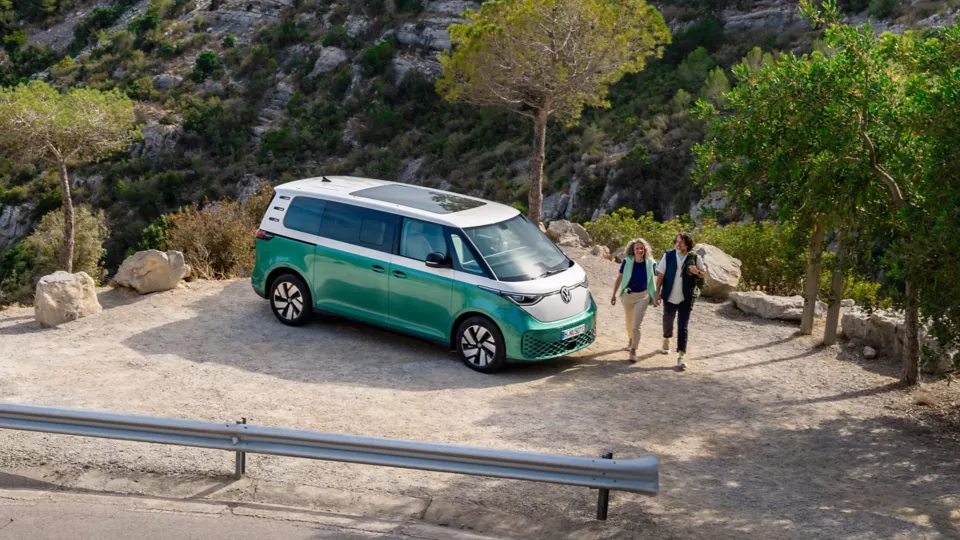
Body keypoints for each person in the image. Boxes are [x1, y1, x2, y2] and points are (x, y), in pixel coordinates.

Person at [655, 232, 707, 371]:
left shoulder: (695, 257)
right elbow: (660, 275)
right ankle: (667, 339)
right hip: (669, 295)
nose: (678, 244)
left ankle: (681, 356)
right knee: (668, 319)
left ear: (688, 244)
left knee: (683, 326)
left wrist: (696, 272)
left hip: (686, 297)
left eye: (682, 242)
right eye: (677, 241)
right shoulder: (668, 255)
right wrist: (656, 293)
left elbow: (704, 273)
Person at [611, 238, 657, 363]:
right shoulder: (627, 261)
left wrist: (656, 296)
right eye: (637, 248)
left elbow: (654, 280)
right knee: (629, 321)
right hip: (627, 296)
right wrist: (614, 294)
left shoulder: (651, 263)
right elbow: (619, 277)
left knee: (637, 324)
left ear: (645, 249)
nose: (640, 250)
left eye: (642, 248)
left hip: (643, 296)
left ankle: (634, 350)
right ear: (633, 250)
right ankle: (630, 338)